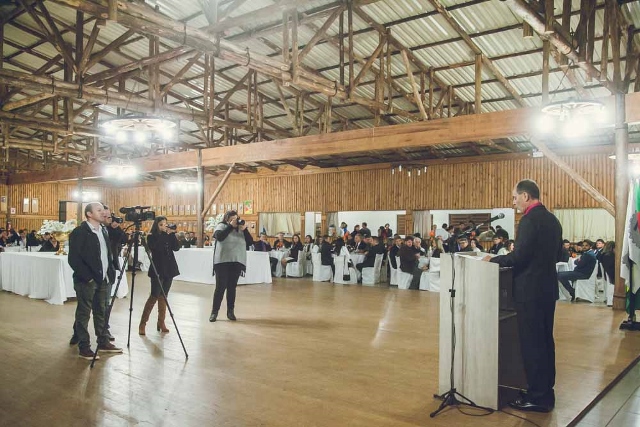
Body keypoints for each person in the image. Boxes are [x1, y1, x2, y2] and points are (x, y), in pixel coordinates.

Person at [483, 179, 562, 413]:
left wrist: (493, 260)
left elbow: (519, 258)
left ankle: (538, 397)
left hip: (530, 292)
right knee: (545, 342)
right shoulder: (552, 219)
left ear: (526, 196)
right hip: (547, 289)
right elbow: (558, 253)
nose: (514, 201)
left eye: (515, 197)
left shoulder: (529, 220)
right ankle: (545, 391)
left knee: (532, 344)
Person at [68, 202, 122, 360]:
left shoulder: (103, 230)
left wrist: (110, 273)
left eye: (103, 210)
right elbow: (74, 258)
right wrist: (89, 277)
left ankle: (103, 341)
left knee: (102, 311)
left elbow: (107, 253)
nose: (103, 212)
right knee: (84, 313)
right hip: (87, 280)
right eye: (99, 210)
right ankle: (84, 346)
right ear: (89, 214)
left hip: (104, 278)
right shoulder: (80, 232)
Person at [138, 216, 180, 335]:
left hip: (169, 268)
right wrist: (163, 235)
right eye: (161, 224)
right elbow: (155, 248)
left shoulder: (168, 235)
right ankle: (143, 323)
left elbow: (176, 248)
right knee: (154, 295)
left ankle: (161, 322)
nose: (164, 226)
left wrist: (172, 234)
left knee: (164, 296)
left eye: (165, 224)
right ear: (156, 225)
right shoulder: (151, 236)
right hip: (158, 268)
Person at [209, 211, 252, 322]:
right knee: (220, 287)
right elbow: (219, 237)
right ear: (227, 219)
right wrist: (230, 226)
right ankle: (214, 312)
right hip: (222, 261)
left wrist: (245, 230)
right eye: (232, 219)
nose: (235, 221)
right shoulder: (221, 226)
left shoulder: (240, 229)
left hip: (236, 261)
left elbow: (250, 242)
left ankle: (230, 311)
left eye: (236, 218)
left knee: (232, 288)